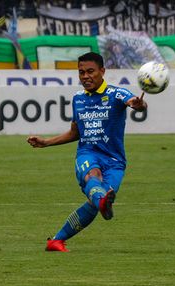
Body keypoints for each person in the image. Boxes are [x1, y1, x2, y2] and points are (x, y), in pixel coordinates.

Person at [27, 52, 147, 252]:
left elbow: (136, 103)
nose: (85, 76)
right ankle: (102, 204)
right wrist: (46, 142)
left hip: (115, 162)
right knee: (94, 178)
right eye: (81, 72)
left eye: (90, 71)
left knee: (95, 203)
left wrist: (139, 104)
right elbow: (75, 132)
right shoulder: (78, 98)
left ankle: (56, 241)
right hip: (87, 154)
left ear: (102, 71)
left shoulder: (117, 94)